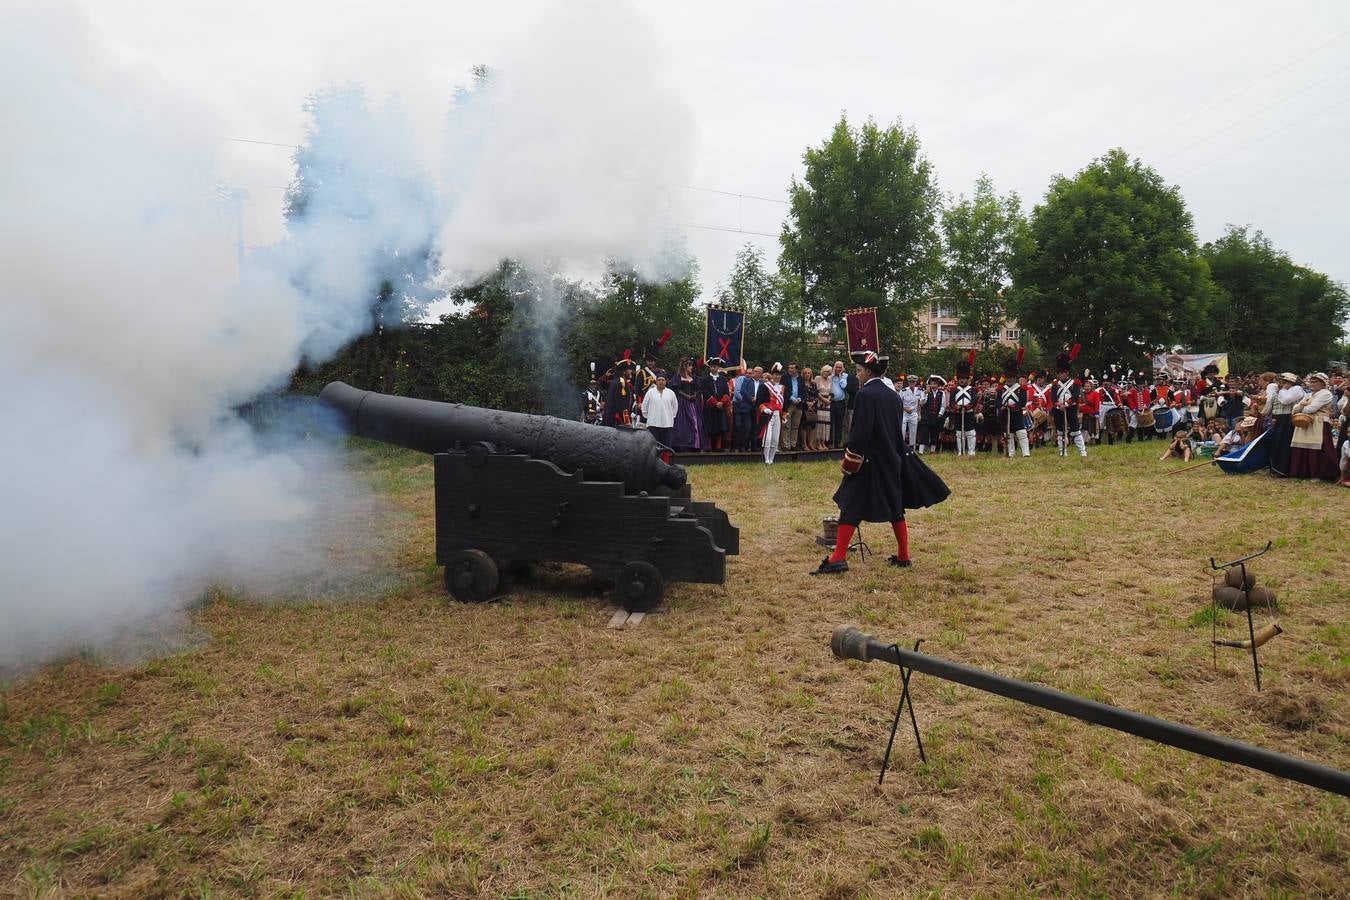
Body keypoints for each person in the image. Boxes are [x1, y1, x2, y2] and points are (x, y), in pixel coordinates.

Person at [813, 350, 914, 574]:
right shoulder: (893, 396)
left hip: (869, 461)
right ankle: (904, 555)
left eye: (859, 371)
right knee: (896, 508)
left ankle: (838, 557)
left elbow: (860, 433)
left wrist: (851, 457)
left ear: (868, 372)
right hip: (891, 459)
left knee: (849, 507)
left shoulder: (865, 395)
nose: (856, 375)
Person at [1288, 372, 1340, 481]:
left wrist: (1303, 406)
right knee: (1302, 446)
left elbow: (1311, 409)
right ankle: (1303, 472)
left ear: (1322, 383)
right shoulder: (1309, 394)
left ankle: (1318, 474)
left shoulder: (1325, 394)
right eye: (1311, 382)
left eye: (1314, 382)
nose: (1311, 384)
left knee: (1317, 448)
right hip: (1304, 422)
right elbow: (1295, 408)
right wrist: (1303, 405)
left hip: (1319, 423)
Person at [1266, 372, 1304, 477]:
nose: (1279, 383)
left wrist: (1283, 389)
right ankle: (1275, 469)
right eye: (1278, 381)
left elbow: (1286, 400)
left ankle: (1284, 470)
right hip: (1277, 419)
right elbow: (1270, 406)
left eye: (1282, 381)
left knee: (1285, 445)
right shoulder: (1277, 391)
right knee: (1276, 443)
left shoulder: (1296, 390)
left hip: (1288, 419)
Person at [1052, 353, 1087, 458]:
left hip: (1070, 408)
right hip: (1059, 409)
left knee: (1076, 430)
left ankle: (1082, 452)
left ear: (1067, 372)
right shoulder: (1055, 384)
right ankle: (1063, 452)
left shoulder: (1075, 382)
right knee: (1060, 431)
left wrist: (1066, 404)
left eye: (1062, 373)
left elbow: (1076, 396)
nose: (1060, 375)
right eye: (1059, 373)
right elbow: (1053, 398)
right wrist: (1058, 405)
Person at [670, 358, 706, 452]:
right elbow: (676, 389)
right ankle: (682, 445)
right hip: (682, 403)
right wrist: (686, 395)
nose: (692, 367)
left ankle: (695, 445)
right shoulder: (677, 377)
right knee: (682, 423)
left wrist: (694, 395)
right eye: (690, 365)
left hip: (693, 403)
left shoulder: (694, 378)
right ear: (685, 366)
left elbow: (698, 389)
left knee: (695, 422)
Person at [698, 357, 732, 451]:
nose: (713, 368)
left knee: (720, 427)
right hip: (710, 407)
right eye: (712, 366)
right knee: (709, 427)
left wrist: (722, 402)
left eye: (715, 366)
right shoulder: (705, 380)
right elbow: (705, 393)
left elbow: (726, 392)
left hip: (720, 407)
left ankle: (718, 447)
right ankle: (708, 446)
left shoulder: (723, 379)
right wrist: (715, 403)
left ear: (718, 367)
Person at [1000, 360, 1031, 458]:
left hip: (1017, 413)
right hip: (1005, 414)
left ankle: (1026, 453)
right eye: (1007, 377)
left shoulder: (1021, 388)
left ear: (1014, 378)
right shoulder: (1001, 389)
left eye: (1011, 377)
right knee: (1008, 434)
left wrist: (1014, 406)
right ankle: (1011, 453)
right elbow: (997, 402)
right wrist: (1002, 406)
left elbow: (1023, 401)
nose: (1009, 379)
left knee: (1021, 433)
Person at [949, 359, 979, 456]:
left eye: (964, 378)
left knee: (970, 432)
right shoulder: (954, 390)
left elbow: (974, 400)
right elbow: (952, 401)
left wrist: (967, 407)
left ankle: (971, 451)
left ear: (967, 379)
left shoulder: (972, 389)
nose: (962, 380)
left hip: (968, 413)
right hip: (958, 413)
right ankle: (960, 451)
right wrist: (956, 406)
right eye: (960, 378)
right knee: (959, 433)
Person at [757, 363, 785, 464]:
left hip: (778, 415)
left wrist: (784, 415)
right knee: (767, 439)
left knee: (775, 439)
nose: (777, 376)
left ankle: (771, 459)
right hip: (768, 415)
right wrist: (764, 409)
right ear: (772, 375)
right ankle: (766, 459)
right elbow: (759, 401)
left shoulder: (782, 387)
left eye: (779, 374)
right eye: (775, 374)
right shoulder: (765, 386)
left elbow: (784, 404)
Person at [641, 370, 678, 446]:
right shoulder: (650, 392)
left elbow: (675, 408)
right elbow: (644, 408)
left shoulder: (671, 393)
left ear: (666, 382)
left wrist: (669, 417)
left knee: (666, 447)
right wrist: (651, 416)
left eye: (662, 380)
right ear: (656, 381)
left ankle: (665, 458)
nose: (661, 382)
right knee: (653, 446)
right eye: (659, 380)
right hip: (653, 424)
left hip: (667, 424)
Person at [732, 365, 761, 451]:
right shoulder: (743, 380)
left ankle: (750, 446)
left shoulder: (759, 382)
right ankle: (739, 446)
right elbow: (739, 392)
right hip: (742, 405)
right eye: (747, 373)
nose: (749, 374)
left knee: (752, 427)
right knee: (741, 426)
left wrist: (756, 400)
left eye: (751, 373)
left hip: (753, 407)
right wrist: (750, 399)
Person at [780, 362, 807, 452]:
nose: (790, 370)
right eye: (789, 368)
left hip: (798, 405)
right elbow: (784, 389)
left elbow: (804, 391)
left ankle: (793, 444)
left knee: (795, 426)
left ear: (796, 369)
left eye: (792, 368)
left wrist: (799, 399)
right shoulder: (784, 377)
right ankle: (785, 445)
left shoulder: (801, 379)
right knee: (786, 425)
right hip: (788, 404)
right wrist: (792, 398)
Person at [916, 375, 946, 453]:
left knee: (935, 434)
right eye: (932, 384)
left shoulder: (942, 393)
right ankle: (920, 451)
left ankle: (932, 451)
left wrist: (940, 413)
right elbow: (922, 403)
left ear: (938, 385)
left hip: (936, 417)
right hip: (926, 416)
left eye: (935, 384)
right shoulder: (925, 392)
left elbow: (943, 405)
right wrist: (926, 393)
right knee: (923, 433)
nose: (933, 385)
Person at [606, 356, 635, 426]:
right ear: (624, 371)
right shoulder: (622, 382)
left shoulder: (616, 380)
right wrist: (626, 421)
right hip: (616, 421)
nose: (631, 371)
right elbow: (621, 404)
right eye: (629, 369)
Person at [899, 374, 923, 449]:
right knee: (902, 431)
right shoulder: (903, 390)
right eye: (910, 382)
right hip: (904, 413)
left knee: (913, 432)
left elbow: (922, 401)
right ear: (908, 382)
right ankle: (902, 448)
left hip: (914, 413)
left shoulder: (919, 390)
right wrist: (905, 409)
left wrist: (922, 401)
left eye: (913, 382)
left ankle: (913, 449)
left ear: (916, 382)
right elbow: (899, 402)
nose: (911, 383)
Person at [813, 364, 833, 449]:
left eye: (828, 371)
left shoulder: (830, 380)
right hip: (819, 403)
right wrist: (824, 400)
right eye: (825, 371)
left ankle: (823, 442)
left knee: (826, 424)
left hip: (827, 405)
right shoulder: (817, 378)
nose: (826, 373)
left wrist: (828, 400)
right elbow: (815, 391)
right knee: (819, 423)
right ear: (822, 371)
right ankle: (817, 443)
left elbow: (831, 392)